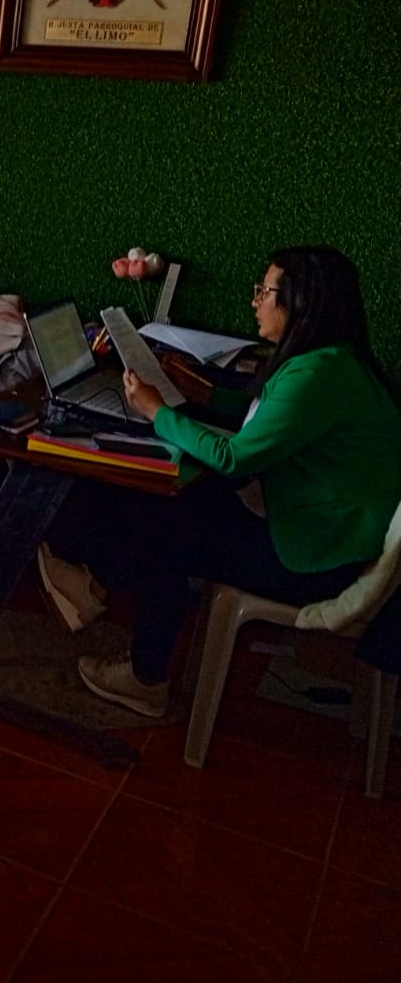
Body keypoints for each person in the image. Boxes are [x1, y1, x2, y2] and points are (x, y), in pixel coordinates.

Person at [37, 246, 401, 718]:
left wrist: (157, 411)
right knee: (173, 505)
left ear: (300, 302)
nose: (255, 301)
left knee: (166, 527)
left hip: (316, 559)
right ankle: (93, 588)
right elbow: (271, 419)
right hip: (332, 538)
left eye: (265, 291)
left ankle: (141, 671)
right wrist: (206, 395)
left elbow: (233, 458)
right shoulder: (335, 362)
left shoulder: (317, 374)